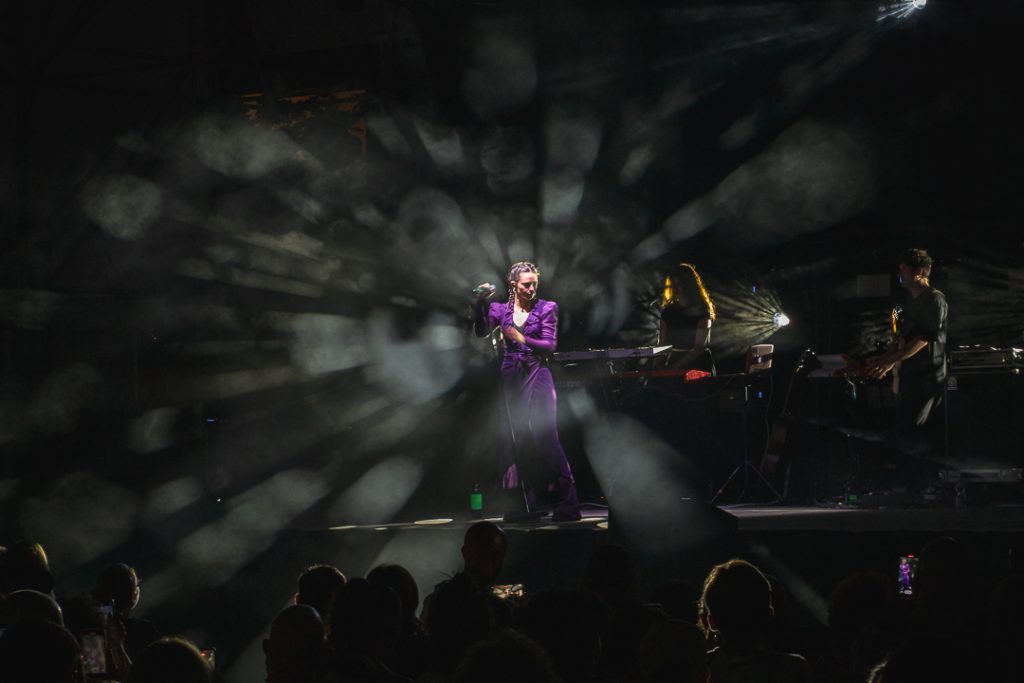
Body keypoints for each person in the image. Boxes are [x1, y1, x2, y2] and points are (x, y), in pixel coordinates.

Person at [473, 261, 580, 522]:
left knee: (547, 437)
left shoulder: (547, 308)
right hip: (511, 374)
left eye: (534, 284)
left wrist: (522, 339)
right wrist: (479, 302)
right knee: (513, 439)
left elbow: (549, 345)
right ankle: (522, 506)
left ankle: (569, 504)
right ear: (513, 285)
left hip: (537, 371)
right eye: (526, 285)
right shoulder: (500, 310)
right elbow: (480, 331)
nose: (531, 289)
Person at [865, 248, 947, 455]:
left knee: (911, 434)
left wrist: (888, 362)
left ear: (918, 271)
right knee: (902, 433)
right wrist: (884, 360)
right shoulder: (907, 304)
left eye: (903, 269)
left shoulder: (935, 299)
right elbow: (900, 339)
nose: (899, 274)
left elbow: (922, 339)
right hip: (907, 380)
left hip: (926, 380)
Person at [658, 262, 716, 373]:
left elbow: (698, 349)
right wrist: (657, 365)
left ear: (688, 285)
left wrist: (674, 368)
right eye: (673, 285)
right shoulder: (668, 312)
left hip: (698, 366)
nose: (675, 289)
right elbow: (662, 344)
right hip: (674, 362)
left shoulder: (702, 312)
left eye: (679, 284)